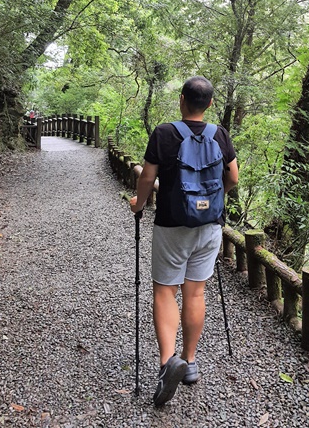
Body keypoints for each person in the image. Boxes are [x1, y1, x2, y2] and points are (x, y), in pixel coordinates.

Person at [129, 76, 239, 406]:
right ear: (208, 105)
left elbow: (147, 177)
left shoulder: (164, 133)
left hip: (172, 225)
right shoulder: (220, 134)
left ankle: (168, 363)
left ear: (181, 100)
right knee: (196, 291)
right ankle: (189, 363)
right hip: (209, 227)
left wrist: (139, 204)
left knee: (165, 290)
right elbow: (232, 178)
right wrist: (213, 199)